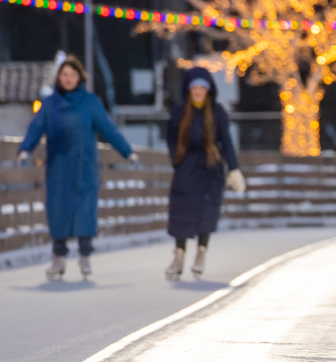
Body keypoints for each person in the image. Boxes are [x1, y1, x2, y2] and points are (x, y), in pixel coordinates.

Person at [18, 57, 136, 280]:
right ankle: (58, 257)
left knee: (85, 211)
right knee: (58, 211)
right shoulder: (50, 104)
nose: (68, 79)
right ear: (58, 78)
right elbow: (35, 128)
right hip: (59, 168)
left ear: (80, 77)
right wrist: (25, 150)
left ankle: (84, 256)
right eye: (64, 75)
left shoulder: (90, 102)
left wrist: (127, 151)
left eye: (72, 75)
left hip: (84, 167)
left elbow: (108, 129)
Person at [164, 68, 245, 280]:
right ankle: (179, 254)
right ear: (189, 90)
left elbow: (226, 141)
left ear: (208, 90)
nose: (199, 91)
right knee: (181, 211)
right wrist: (177, 160)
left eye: (202, 87)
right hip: (186, 168)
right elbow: (171, 138)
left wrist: (233, 168)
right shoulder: (179, 112)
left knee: (206, 211)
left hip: (211, 168)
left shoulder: (217, 112)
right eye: (195, 88)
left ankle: (201, 252)